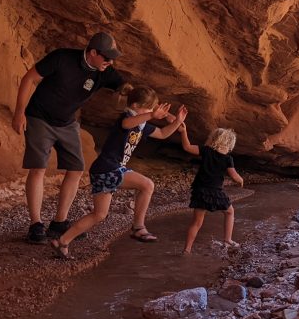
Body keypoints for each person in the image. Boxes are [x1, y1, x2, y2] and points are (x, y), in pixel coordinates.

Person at [11, 32, 130, 244]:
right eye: (107, 57)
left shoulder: (105, 72)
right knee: (38, 168)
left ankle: (59, 222)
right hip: (39, 117)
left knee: (75, 169)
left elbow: (125, 88)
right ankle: (36, 225)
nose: (110, 62)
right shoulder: (62, 58)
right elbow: (30, 78)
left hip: (67, 123)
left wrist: (134, 98)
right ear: (93, 52)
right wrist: (19, 112)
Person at [51, 87, 188, 259]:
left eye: (151, 110)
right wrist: (152, 115)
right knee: (147, 185)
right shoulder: (127, 118)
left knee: (99, 215)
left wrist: (177, 122)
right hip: (109, 167)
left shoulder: (142, 124)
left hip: (105, 169)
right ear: (135, 105)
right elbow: (126, 124)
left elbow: (161, 134)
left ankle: (62, 241)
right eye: (147, 109)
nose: (150, 112)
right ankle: (138, 227)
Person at [178, 125, 244, 254]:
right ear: (230, 144)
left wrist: (184, 131)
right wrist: (241, 180)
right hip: (215, 192)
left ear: (213, 139)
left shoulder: (206, 150)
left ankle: (187, 249)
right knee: (229, 212)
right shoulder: (227, 159)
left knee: (196, 223)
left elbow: (187, 147)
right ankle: (228, 239)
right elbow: (234, 175)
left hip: (200, 190)